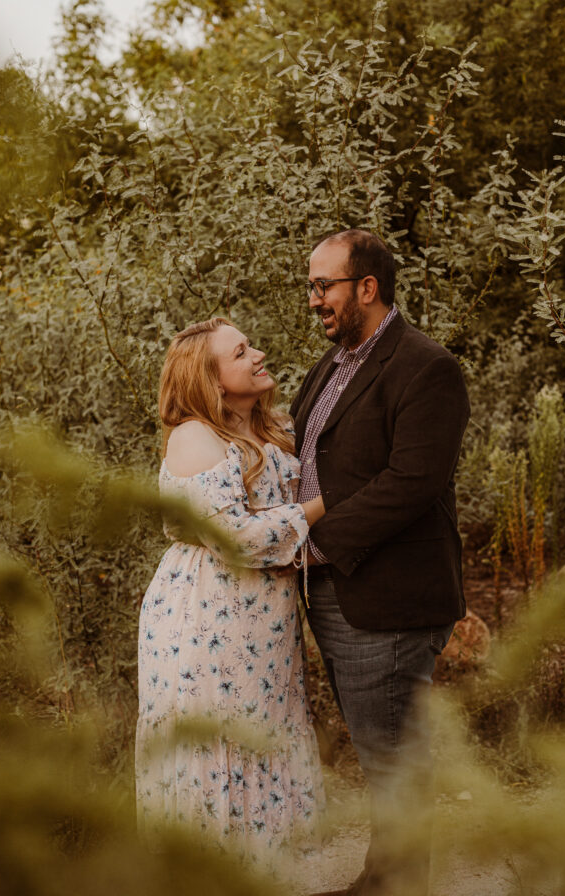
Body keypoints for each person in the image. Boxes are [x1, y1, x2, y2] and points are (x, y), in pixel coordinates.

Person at [291, 229, 470, 896]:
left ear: (366, 287)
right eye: (311, 287)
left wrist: (312, 542)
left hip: (388, 599)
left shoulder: (426, 367)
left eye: (322, 286)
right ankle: (383, 881)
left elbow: (411, 480)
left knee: (394, 762)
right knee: (382, 758)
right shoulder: (327, 370)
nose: (313, 300)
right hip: (337, 594)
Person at [136, 317, 326, 865]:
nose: (259, 354)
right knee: (220, 744)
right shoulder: (196, 435)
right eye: (242, 351)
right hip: (207, 618)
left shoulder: (269, 429)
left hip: (264, 624)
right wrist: (318, 508)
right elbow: (236, 538)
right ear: (211, 380)